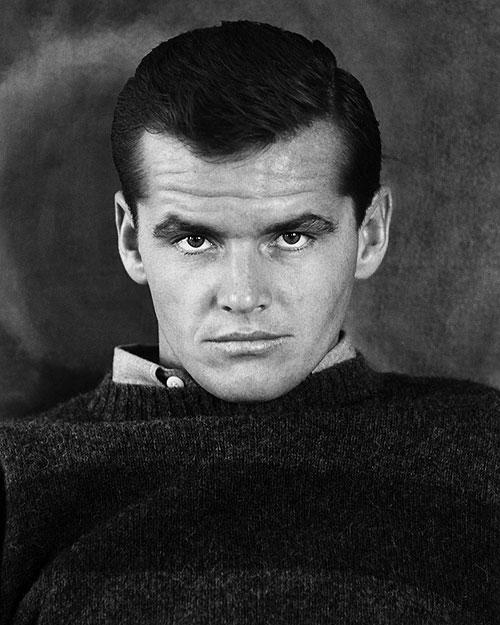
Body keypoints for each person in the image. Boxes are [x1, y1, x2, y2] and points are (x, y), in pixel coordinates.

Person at [1, 19, 499, 625]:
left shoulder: (483, 448)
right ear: (132, 241)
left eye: (291, 237)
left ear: (370, 233)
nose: (242, 296)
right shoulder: (17, 479)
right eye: (194, 240)